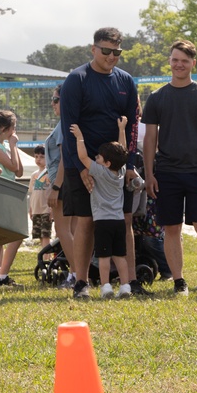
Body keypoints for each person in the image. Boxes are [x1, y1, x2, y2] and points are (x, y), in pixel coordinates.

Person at [141, 40, 197, 298]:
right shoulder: (157, 97)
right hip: (166, 172)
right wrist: (149, 175)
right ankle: (179, 283)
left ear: (193, 64)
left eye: (185, 61)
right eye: (175, 59)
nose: (179, 64)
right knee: (172, 228)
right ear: (170, 60)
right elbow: (149, 140)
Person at [60, 28, 140, 299]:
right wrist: (81, 168)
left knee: (124, 220)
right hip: (84, 161)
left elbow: (131, 127)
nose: (111, 56)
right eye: (106, 51)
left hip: (118, 167)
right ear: (93, 49)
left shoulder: (126, 81)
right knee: (86, 220)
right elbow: (68, 127)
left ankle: (130, 282)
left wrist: (128, 165)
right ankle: (81, 283)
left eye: (116, 52)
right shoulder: (76, 79)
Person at [71, 116, 132, 298]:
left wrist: (79, 137)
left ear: (107, 163)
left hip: (103, 221)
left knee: (104, 257)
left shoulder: (100, 171)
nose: (95, 158)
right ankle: (125, 286)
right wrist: (122, 129)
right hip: (119, 221)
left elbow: (82, 157)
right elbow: (123, 150)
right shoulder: (120, 171)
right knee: (120, 256)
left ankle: (106, 286)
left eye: (98, 157)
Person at [0, 110, 24, 287]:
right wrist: (13, 146)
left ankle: (3, 274)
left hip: (9, 194)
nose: (14, 132)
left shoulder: (4, 146)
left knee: (17, 234)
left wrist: (13, 147)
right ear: (3, 129)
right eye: (13, 128)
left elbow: (19, 171)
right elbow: (13, 166)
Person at [45, 85, 77, 288]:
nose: (52, 104)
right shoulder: (67, 123)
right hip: (68, 182)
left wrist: (56, 187)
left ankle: (76, 275)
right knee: (72, 231)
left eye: (55, 100)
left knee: (63, 230)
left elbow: (65, 157)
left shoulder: (65, 124)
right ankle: (78, 273)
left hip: (63, 183)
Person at [28, 144, 52, 251]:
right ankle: (44, 255)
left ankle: (47, 257)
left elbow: (51, 192)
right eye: (36, 156)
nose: (38, 159)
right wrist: (31, 208)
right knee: (39, 235)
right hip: (36, 209)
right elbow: (32, 193)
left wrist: (51, 209)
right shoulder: (34, 175)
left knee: (46, 235)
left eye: (42, 157)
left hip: (46, 209)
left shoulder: (50, 174)